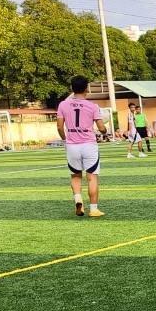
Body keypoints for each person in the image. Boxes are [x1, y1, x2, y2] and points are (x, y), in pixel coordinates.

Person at [56, 75, 108, 217]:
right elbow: (101, 128)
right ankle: (94, 209)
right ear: (86, 89)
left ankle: (78, 199)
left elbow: (59, 127)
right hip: (89, 145)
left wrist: (65, 139)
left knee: (75, 176)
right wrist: (104, 130)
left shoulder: (63, 105)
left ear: (72, 88)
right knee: (92, 178)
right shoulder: (93, 106)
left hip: (72, 145)